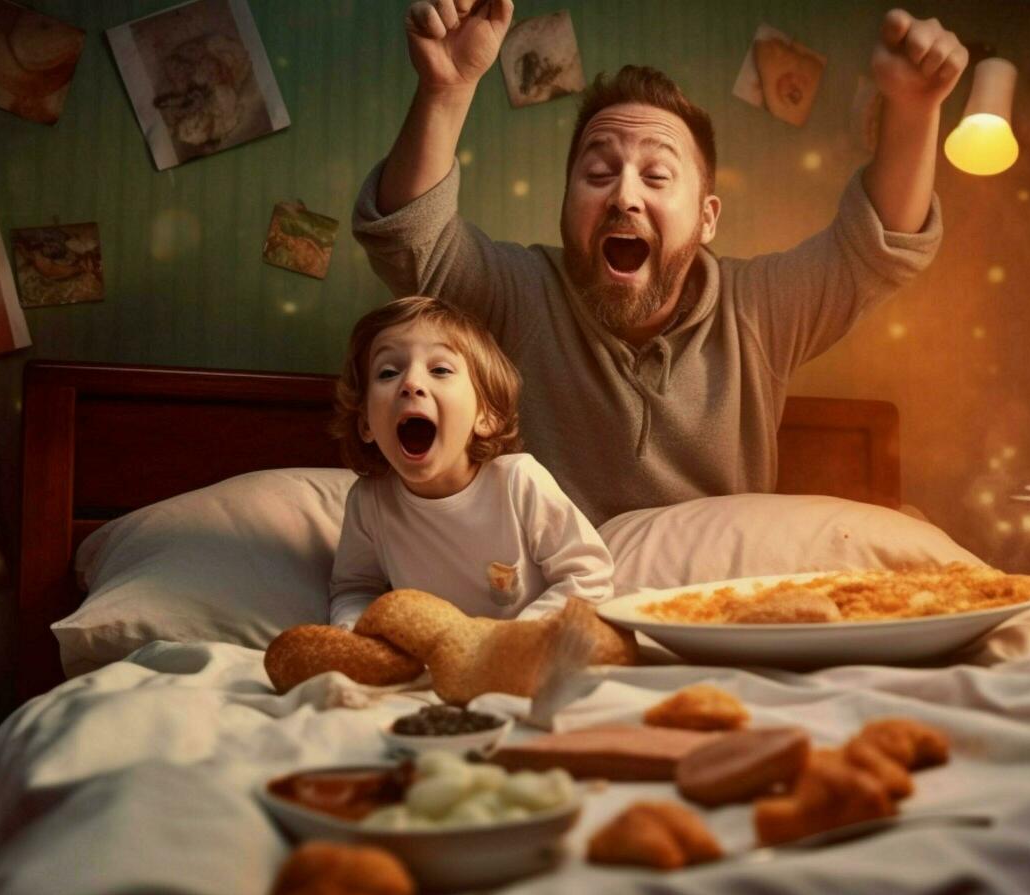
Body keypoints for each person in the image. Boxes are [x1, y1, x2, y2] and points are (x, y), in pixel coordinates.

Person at [354, 2, 968, 525]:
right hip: (550, 604)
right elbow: (413, 236)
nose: (624, 195)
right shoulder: (520, 293)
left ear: (707, 217)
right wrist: (446, 90)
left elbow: (876, 247)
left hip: (711, 611)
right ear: (566, 205)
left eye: (657, 175)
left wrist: (915, 112)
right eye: (598, 174)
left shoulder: (757, 310)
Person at [328, 295, 615, 628]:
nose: (410, 384)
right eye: (389, 372)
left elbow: (589, 574)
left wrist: (509, 639)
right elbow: (354, 589)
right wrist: (357, 637)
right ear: (365, 423)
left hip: (526, 655)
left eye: (440, 369)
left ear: (486, 414)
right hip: (437, 667)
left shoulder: (518, 482)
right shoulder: (370, 502)